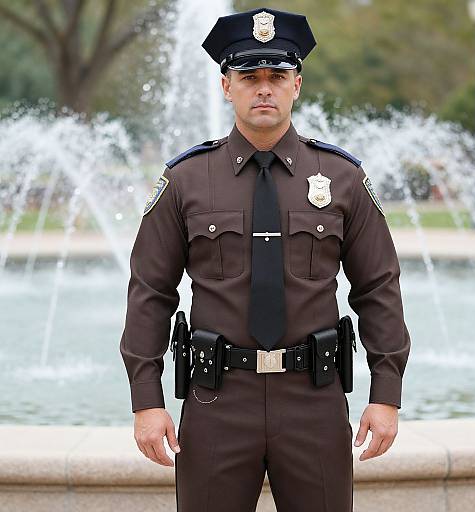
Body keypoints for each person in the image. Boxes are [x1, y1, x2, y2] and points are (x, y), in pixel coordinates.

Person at [119, 6, 411, 512]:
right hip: (217, 402)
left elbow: (378, 288)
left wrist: (386, 393)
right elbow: (150, 292)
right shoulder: (186, 181)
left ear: (296, 85)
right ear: (225, 87)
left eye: (276, 76)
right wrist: (147, 399)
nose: (263, 88)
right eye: (248, 76)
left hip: (313, 402)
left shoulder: (341, 178)